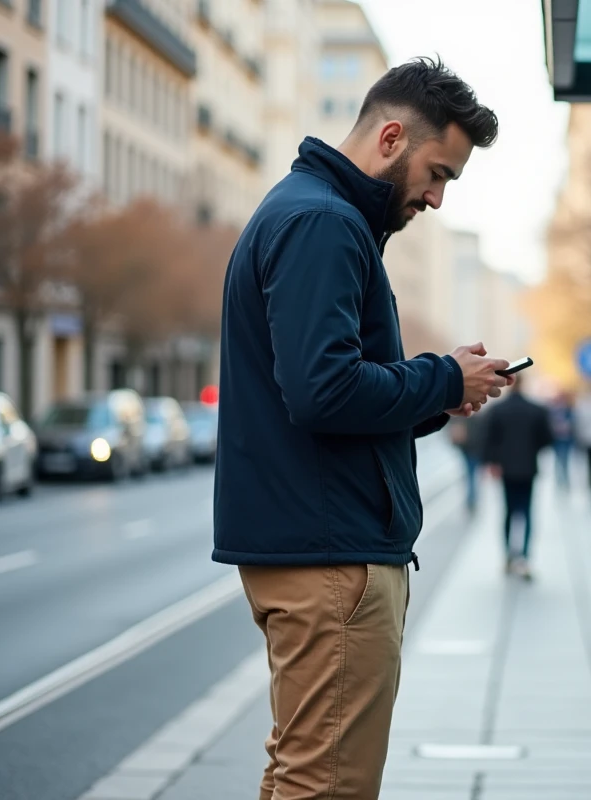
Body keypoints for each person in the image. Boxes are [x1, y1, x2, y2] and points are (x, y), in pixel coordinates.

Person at [213, 58, 508, 800]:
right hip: (330, 557)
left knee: (300, 774)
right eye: (437, 173)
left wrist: (439, 395)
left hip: (316, 547)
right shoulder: (324, 223)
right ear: (389, 138)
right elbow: (323, 392)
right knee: (329, 786)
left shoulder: (311, 211)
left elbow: (321, 399)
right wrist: (442, 378)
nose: (437, 198)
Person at [483, 376, 554, 578]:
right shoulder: (537, 410)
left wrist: (494, 462)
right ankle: (524, 556)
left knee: (508, 510)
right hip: (528, 468)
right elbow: (547, 439)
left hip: (505, 469)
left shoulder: (498, 410)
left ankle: (508, 554)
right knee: (527, 511)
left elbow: (489, 439)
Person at [449, 406, 487, 514]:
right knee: (473, 475)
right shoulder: (479, 419)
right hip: (475, 451)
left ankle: (471, 499)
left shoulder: (464, 418)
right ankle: (472, 498)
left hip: (467, 451)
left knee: (470, 475)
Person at [548, 390, 575, 489]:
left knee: (565, 459)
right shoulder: (553, 411)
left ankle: (564, 479)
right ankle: (559, 479)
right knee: (558, 460)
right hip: (557, 439)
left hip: (566, 439)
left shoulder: (569, 410)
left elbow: (572, 424)